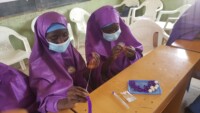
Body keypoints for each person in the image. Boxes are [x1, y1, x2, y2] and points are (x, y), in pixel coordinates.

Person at [29, 12, 99, 113]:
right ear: (42, 37)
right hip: (62, 107)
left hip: (82, 100)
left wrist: (91, 67)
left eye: (65, 34)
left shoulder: (70, 50)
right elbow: (44, 102)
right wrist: (65, 102)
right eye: (54, 38)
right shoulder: (38, 64)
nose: (61, 41)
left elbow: (82, 75)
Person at [85, 5, 143, 89]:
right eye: (107, 31)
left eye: (116, 28)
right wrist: (110, 59)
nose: (113, 33)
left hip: (130, 74)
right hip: (109, 82)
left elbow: (139, 55)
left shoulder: (125, 34)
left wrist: (133, 56)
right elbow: (94, 74)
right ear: (98, 30)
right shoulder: (93, 46)